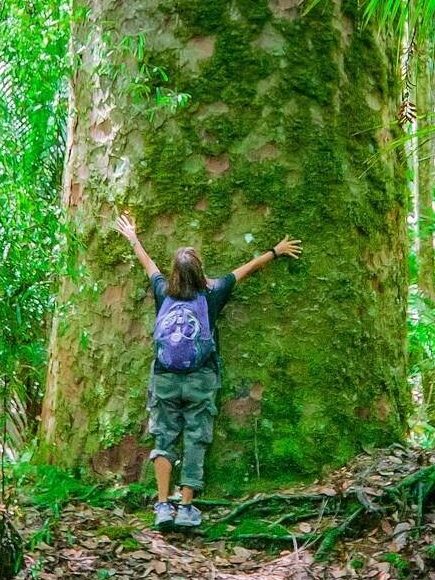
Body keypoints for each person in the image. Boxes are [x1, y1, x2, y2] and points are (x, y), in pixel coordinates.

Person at [112, 210, 302, 531]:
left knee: (164, 437)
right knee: (196, 438)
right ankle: (186, 508)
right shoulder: (212, 293)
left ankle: (161, 505)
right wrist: (275, 251)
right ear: (200, 272)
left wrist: (133, 237)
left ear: (174, 273)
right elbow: (247, 269)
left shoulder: (163, 292)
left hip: (165, 379)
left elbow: (148, 264)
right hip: (201, 378)